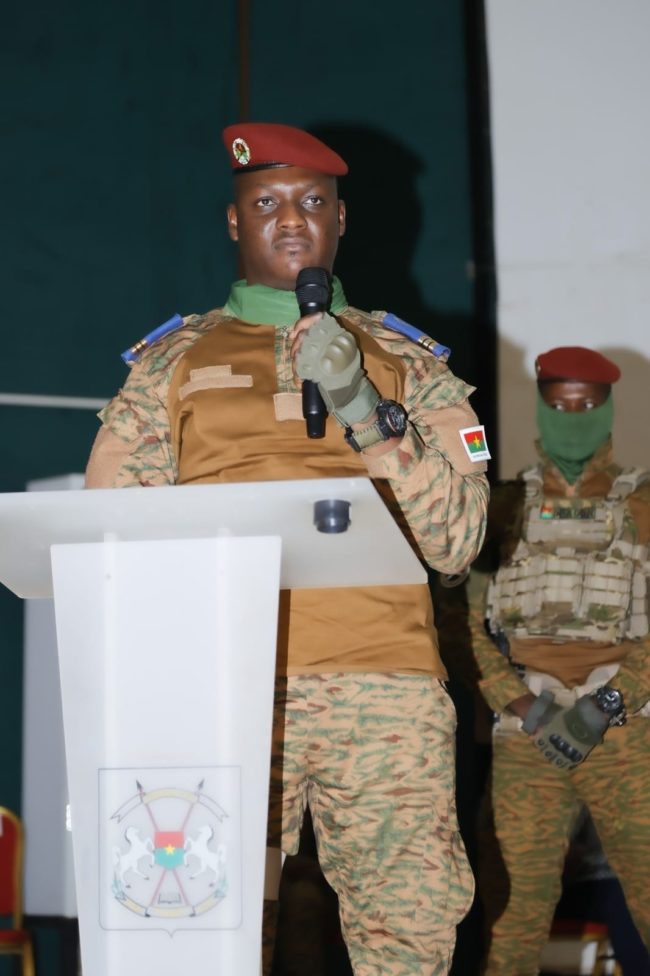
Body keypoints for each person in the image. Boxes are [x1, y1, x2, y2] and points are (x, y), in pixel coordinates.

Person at [85, 122, 489, 976]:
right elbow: (108, 539)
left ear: (342, 218)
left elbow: (458, 541)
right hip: (217, 688)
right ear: (235, 223)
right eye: (266, 203)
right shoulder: (169, 365)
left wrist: (364, 407)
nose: (292, 219)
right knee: (190, 934)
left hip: (384, 691)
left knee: (409, 938)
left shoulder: (408, 364)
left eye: (312, 202)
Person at [468, 346, 650, 975]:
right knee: (513, 917)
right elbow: (465, 626)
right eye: (560, 405)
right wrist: (523, 706)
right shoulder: (499, 508)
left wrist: (607, 703)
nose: (574, 419)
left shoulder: (643, 504)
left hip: (625, 733)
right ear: (541, 409)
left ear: (609, 409)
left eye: (588, 405)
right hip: (528, 735)